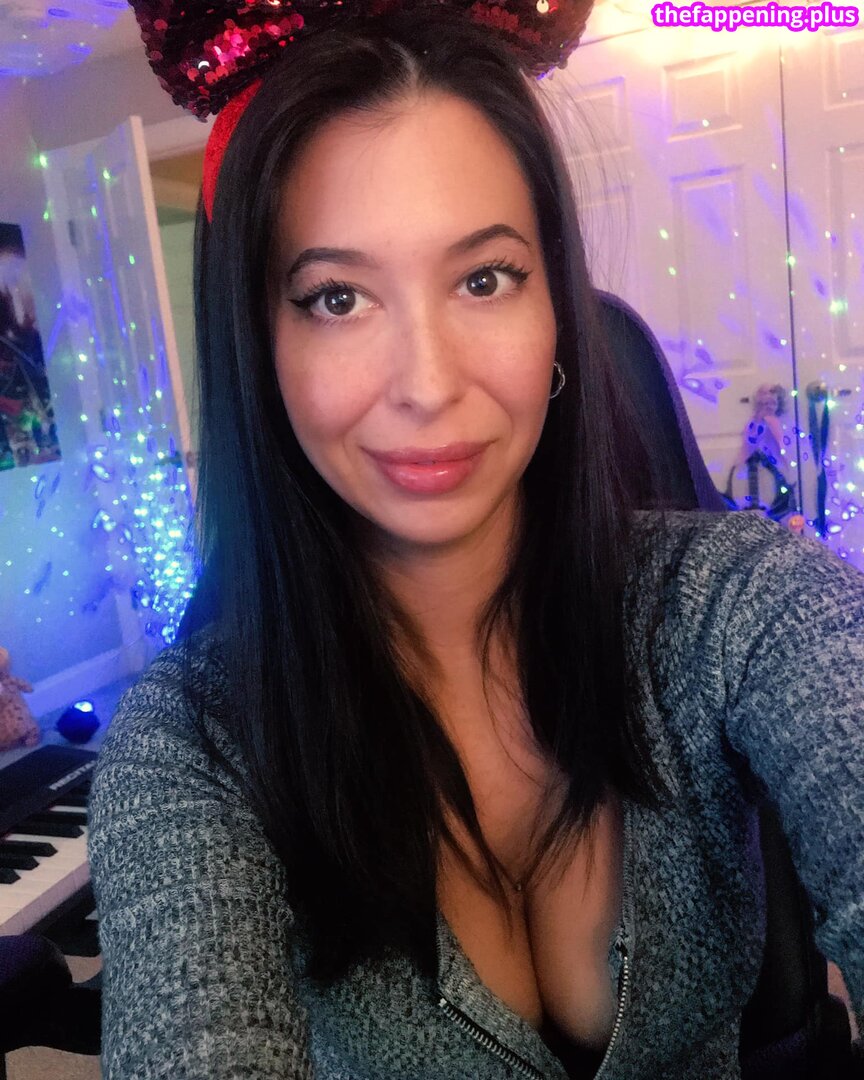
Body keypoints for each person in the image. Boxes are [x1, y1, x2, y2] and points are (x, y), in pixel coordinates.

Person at [88, 2, 864, 1076]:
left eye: (484, 278)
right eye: (336, 297)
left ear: (557, 309)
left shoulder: (742, 603)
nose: (429, 384)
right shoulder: (192, 749)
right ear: (259, 347)